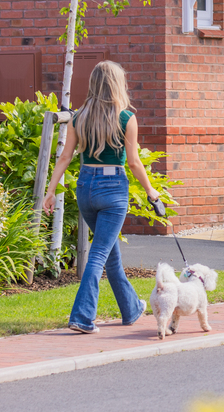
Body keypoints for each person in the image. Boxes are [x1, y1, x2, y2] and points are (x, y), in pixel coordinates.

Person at [43, 61, 162, 334]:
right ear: (117, 84)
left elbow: (64, 157)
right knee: (99, 254)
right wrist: (150, 190)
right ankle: (83, 316)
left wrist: (51, 191)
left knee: (110, 255)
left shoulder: (78, 116)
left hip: (85, 186)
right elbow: (133, 163)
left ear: (94, 83)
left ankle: (131, 308)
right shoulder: (126, 118)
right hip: (113, 190)